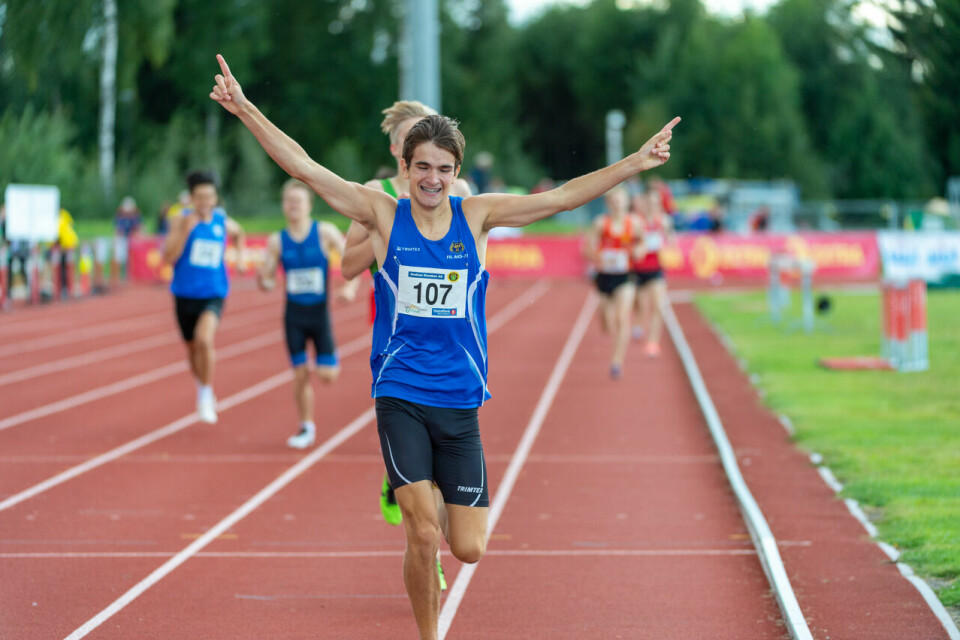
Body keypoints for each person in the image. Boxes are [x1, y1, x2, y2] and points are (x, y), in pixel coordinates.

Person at [211, 53, 677, 640]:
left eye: (444, 168)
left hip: (460, 403)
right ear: (404, 168)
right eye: (422, 166)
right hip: (400, 391)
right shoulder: (381, 213)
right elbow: (304, 167)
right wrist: (245, 107)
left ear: (457, 172)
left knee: (470, 547)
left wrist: (636, 162)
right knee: (424, 533)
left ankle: (426, 510)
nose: (432, 179)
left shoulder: (477, 216)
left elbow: (561, 198)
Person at [338, 100, 472, 535]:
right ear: (401, 149)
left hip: (449, 329)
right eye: (417, 141)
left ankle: (413, 486)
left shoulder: (457, 190)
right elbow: (347, 265)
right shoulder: (378, 194)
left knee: (443, 429)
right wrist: (388, 232)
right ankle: (413, 503)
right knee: (406, 407)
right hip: (394, 311)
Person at [257, 179, 356, 449]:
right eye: (289, 201)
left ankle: (328, 358)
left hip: (319, 315)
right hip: (293, 316)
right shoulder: (276, 241)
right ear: (283, 206)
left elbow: (354, 258)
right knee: (299, 375)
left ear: (309, 205)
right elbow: (266, 282)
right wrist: (262, 278)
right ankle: (306, 426)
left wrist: (349, 288)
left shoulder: (324, 232)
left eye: (298, 201)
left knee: (327, 375)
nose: (293, 206)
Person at [162, 170, 246, 424]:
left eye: (209, 196)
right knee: (191, 348)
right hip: (184, 294)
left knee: (204, 340)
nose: (205, 202)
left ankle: (206, 394)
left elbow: (239, 233)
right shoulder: (180, 220)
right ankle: (202, 386)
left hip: (214, 292)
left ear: (215, 197)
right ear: (191, 198)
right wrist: (186, 231)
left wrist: (240, 258)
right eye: (199, 197)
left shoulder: (221, 220)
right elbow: (168, 257)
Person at [586, 186, 639, 379]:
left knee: (621, 317)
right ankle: (609, 326)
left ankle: (617, 361)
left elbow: (641, 243)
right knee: (607, 322)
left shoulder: (634, 223)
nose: (617, 204)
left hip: (625, 276)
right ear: (608, 203)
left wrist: (638, 251)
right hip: (604, 276)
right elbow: (588, 248)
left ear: (626, 202)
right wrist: (599, 256)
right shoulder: (601, 223)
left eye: (620, 200)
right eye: (613, 201)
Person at [630, 186, 674, 357]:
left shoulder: (663, 221)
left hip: (656, 269)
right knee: (640, 306)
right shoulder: (636, 222)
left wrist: (666, 231)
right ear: (644, 204)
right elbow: (631, 247)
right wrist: (640, 245)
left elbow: (671, 242)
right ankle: (639, 323)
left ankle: (653, 343)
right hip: (638, 270)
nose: (653, 206)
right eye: (650, 203)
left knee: (658, 306)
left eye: (656, 203)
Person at [113, 196, 142, 284]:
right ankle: (121, 276)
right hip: (123, 239)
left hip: (132, 240)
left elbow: (139, 228)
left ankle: (131, 275)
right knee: (122, 257)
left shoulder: (136, 216)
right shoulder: (120, 216)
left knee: (132, 258)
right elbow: (117, 229)